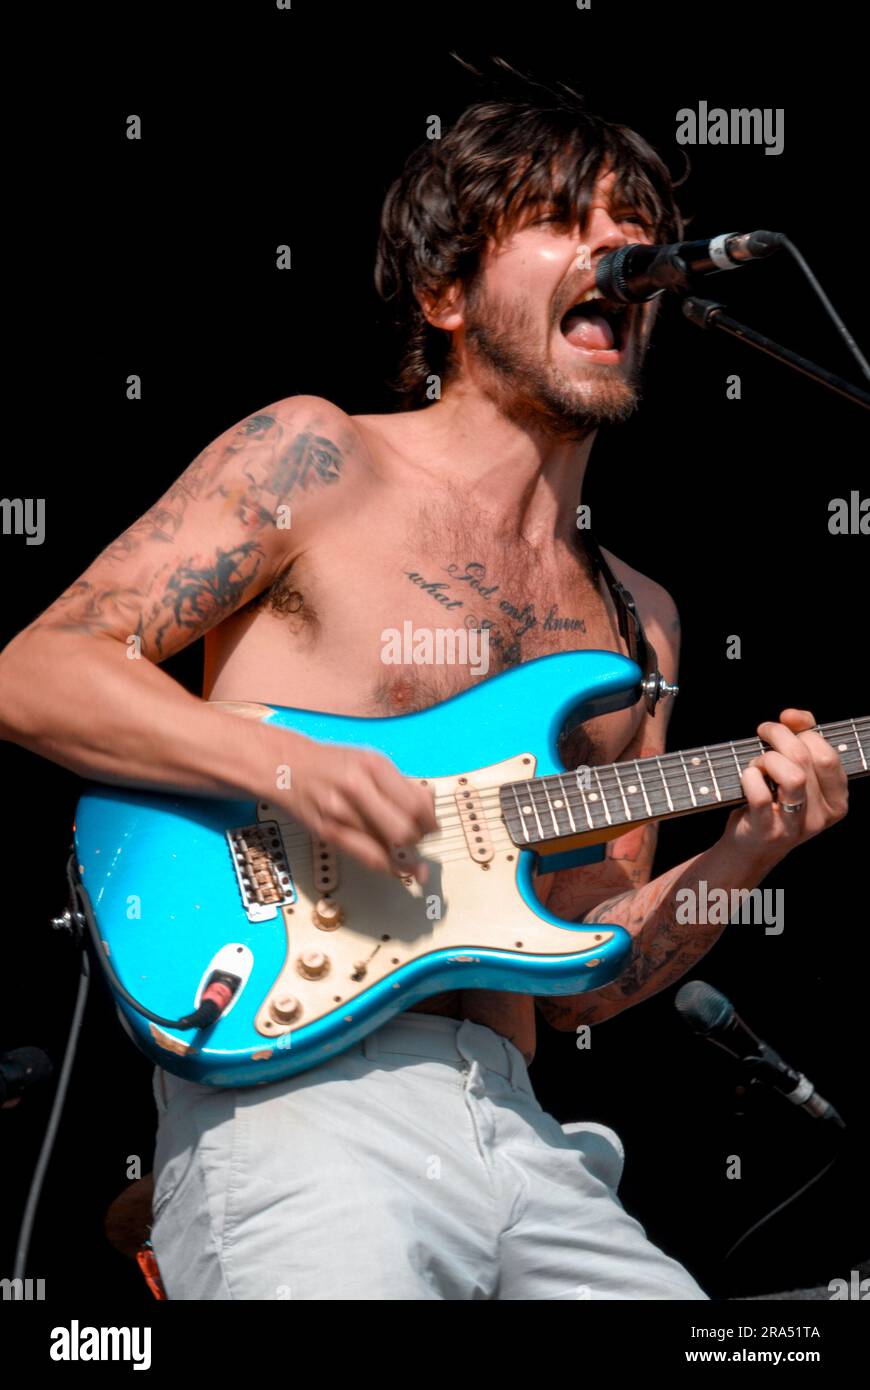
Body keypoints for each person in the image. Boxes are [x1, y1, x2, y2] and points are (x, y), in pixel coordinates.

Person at [0, 85, 848, 1300]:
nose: (618, 246)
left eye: (634, 221)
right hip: (303, 1110)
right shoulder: (320, 457)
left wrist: (751, 849)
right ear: (446, 295)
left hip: (526, 1129)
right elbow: (35, 670)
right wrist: (288, 766)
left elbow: (589, 975)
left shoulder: (639, 621)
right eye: (563, 218)